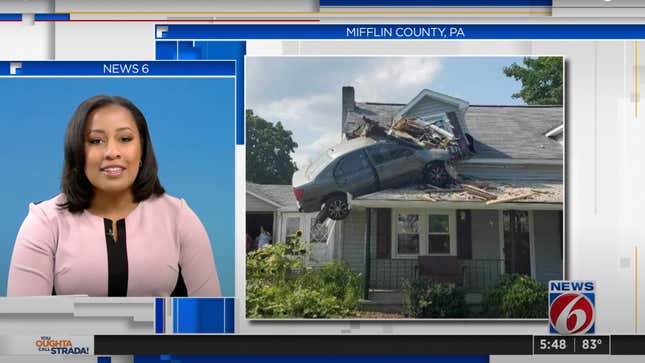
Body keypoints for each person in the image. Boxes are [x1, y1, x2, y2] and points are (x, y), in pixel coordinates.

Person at [7, 95, 221, 297]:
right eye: (96, 141)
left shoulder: (179, 217)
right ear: (77, 152)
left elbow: (211, 320)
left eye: (125, 138)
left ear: (142, 150)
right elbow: (24, 325)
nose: (112, 152)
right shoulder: (44, 222)